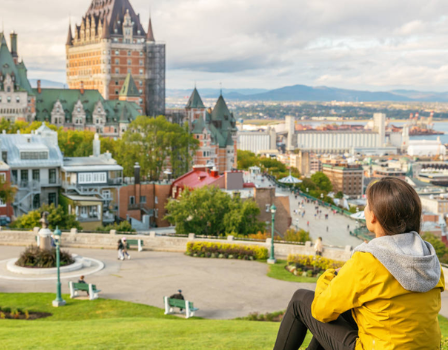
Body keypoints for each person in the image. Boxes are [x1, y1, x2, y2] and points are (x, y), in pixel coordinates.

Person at [273, 177, 444, 350]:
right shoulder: (428, 260)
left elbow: (320, 310)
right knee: (345, 310)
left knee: (300, 299)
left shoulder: (368, 262)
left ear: (374, 217)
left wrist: (333, 275)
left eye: (367, 205)